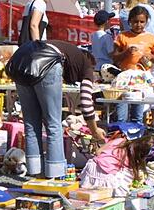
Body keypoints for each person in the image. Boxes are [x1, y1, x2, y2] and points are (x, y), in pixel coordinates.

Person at [15, 40, 106, 178]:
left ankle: (35, 174)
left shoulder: (69, 51)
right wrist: (95, 131)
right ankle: (55, 175)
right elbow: (86, 104)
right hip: (47, 61)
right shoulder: (87, 65)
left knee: (31, 124)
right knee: (53, 123)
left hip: (21, 61)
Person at [113, 6, 154, 122]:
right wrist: (126, 52)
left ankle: (137, 138)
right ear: (130, 21)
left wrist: (150, 56)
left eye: (142, 22)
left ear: (146, 22)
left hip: (141, 81)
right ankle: (120, 138)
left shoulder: (151, 38)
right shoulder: (122, 36)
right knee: (121, 116)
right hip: (124, 81)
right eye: (135, 22)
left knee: (138, 116)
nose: (138, 24)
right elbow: (114, 57)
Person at [79, 128, 154, 197]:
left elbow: (98, 152)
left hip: (91, 167)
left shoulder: (120, 140)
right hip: (106, 175)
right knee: (126, 176)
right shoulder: (132, 158)